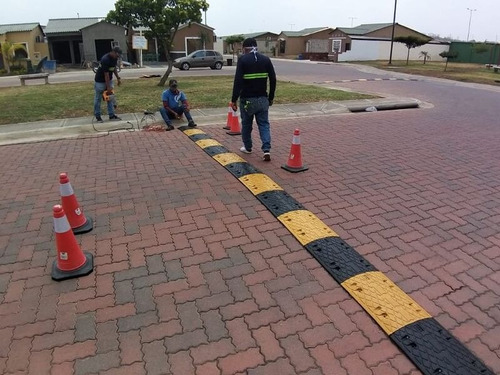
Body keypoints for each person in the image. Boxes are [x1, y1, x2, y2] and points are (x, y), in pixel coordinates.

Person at [230, 37, 276, 161]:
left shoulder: (243, 60)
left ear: (245, 48)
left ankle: (248, 147)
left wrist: (234, 99)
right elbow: (273, 79)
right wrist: (270, 97)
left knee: (246, 124)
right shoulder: (266, 60)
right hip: (262, 99)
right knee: (264, 124)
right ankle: (266, 149)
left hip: (247, 100)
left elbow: (238, 81)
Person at [94, 46, 122, 123]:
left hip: (108, 80)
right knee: (98, 99)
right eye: (117, 55)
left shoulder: (115, 58)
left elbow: (114, 68)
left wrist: (118, 78)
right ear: (113, 52)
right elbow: (106, 74)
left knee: (110, 97)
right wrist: (108, 87)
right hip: (100, 81)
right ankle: (98, 116)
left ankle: (111, 115)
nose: (117, 57)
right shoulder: (105, 59)